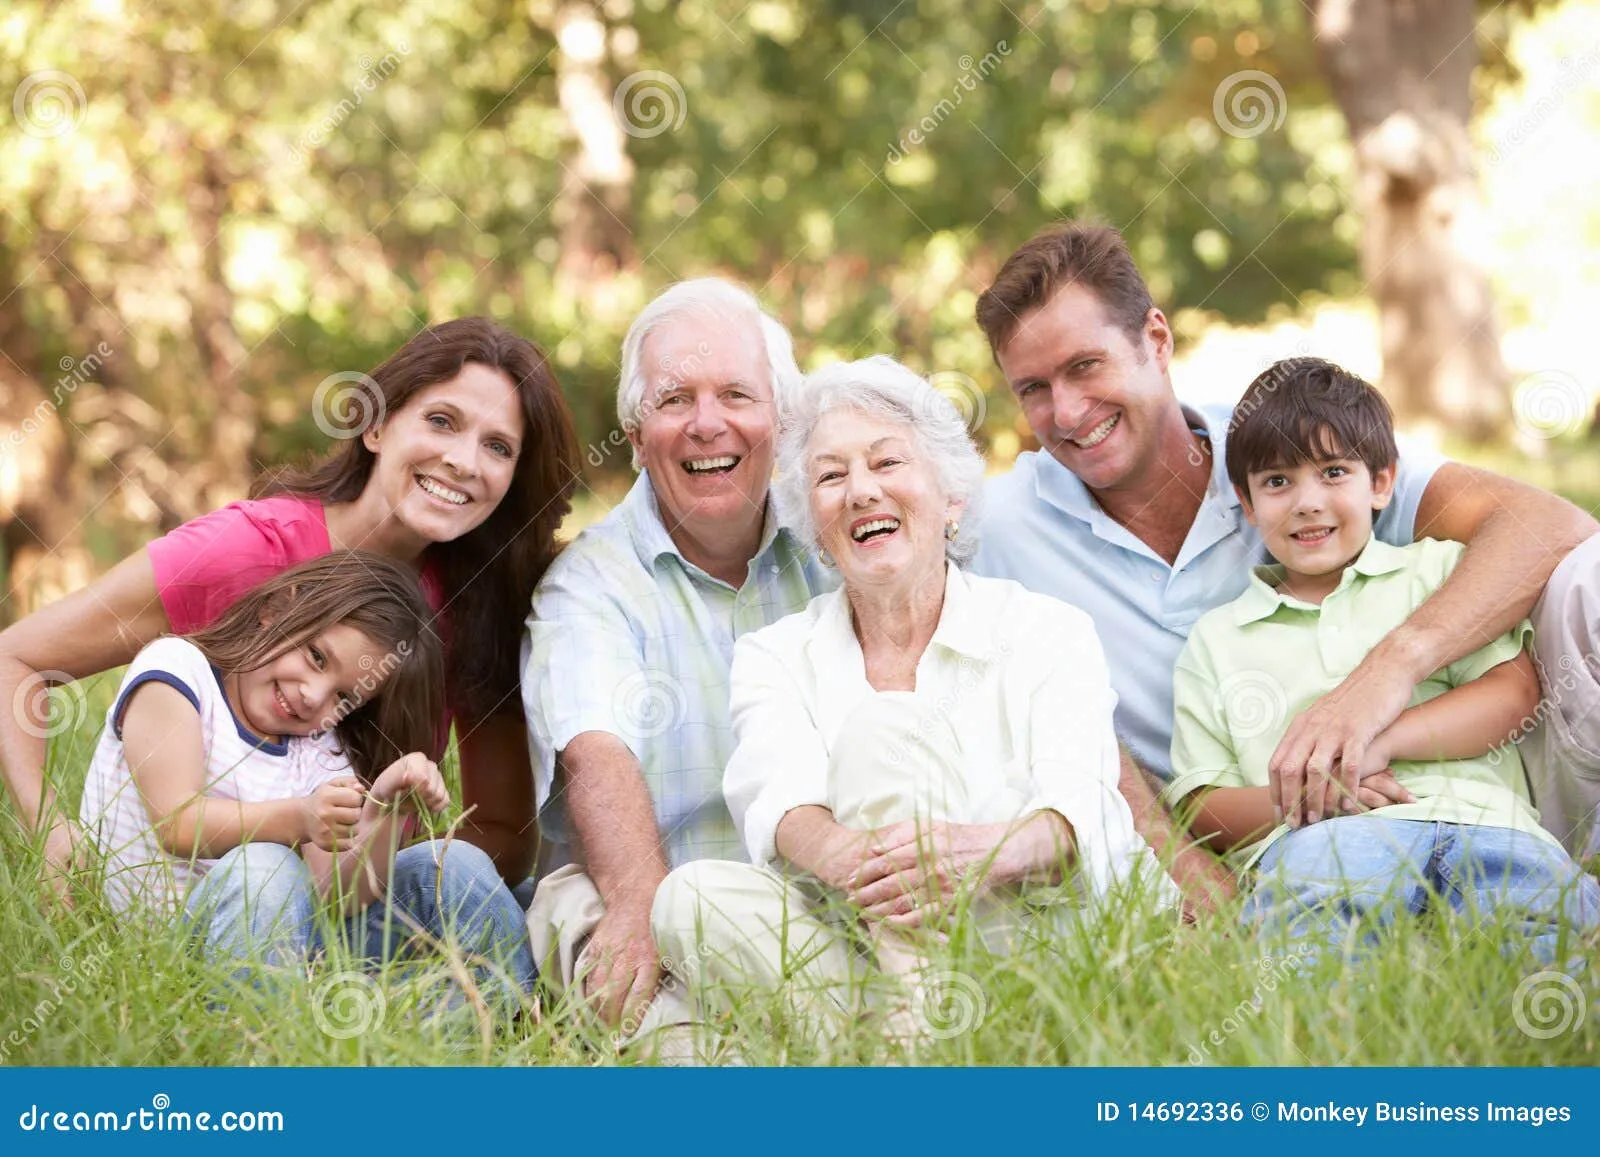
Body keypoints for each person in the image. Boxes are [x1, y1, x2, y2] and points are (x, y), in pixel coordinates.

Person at [970, 221, 1598, 900]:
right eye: (1032, 388)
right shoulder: (997, 527)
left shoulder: (1287, 446)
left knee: (1589, 576)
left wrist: (1384, 678)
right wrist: (1190, 876)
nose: (1066, 410)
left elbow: (1548, 524)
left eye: (1084, 366)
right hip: (1290, 848)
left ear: (1155, 341)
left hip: (1481, 792)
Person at [651, 356, 1178, 1041]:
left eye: (887, 462)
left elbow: (1079, 807)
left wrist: (979, 852)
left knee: (883, 732)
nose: (861, 491)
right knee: (687, 899)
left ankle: (903, 1045)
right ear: (814, 522)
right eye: (832, 476)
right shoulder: (774, 654)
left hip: (1034, 938)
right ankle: (925, 1035)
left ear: (951, 497)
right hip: (867, 946)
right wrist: (850, 857)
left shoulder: (1046, 629)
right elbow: (777, 798)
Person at [1, 318, 579, 908]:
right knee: (263, 875)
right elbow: (17, 658)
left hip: (348, 902)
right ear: (376, 426)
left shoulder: (481, 599)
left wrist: (389, 858)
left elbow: (502, 838)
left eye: (498, 447)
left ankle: (487, 997)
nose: (463, 461)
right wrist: (48, 826)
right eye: (441, 421)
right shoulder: (248, 552)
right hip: (224, 897)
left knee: (489, 889)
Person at [1163, 359, 1599, 966]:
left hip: (1487, 824)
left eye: (1333, 472)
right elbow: (1201, 805)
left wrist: (1381, 744)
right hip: (1320, 843)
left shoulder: (1436, 573)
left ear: (1381, 484)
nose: (1307, 503)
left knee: (1553, 943)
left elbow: (1514, 698)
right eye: (1278, 482)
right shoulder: (1216, 640)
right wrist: (1318, 794)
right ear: (1246, 500)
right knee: (1309, 957)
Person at [521, 279, 832, 1045]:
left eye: (735, 393)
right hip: (639, 896)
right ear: (633, 432)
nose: (706, 424)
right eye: (673, 400)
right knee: (692, 1059)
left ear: (782, 421)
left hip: (808, 906)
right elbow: (597, 751)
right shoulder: (589, 583)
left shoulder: (836, 544)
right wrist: (640, 905)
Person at [79, 552, 537, 999]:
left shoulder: (320, 745)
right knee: (264, 867)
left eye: (345, 696)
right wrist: (300, 817)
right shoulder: (178, 670)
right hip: (169, 952)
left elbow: (337, 898)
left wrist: (385, 810)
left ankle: (503, 1012)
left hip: (285, 955)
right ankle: (258, 1042)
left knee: (453, 863)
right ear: (277, 610)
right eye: (317, 657)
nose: (314, 697)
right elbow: (176, 823)